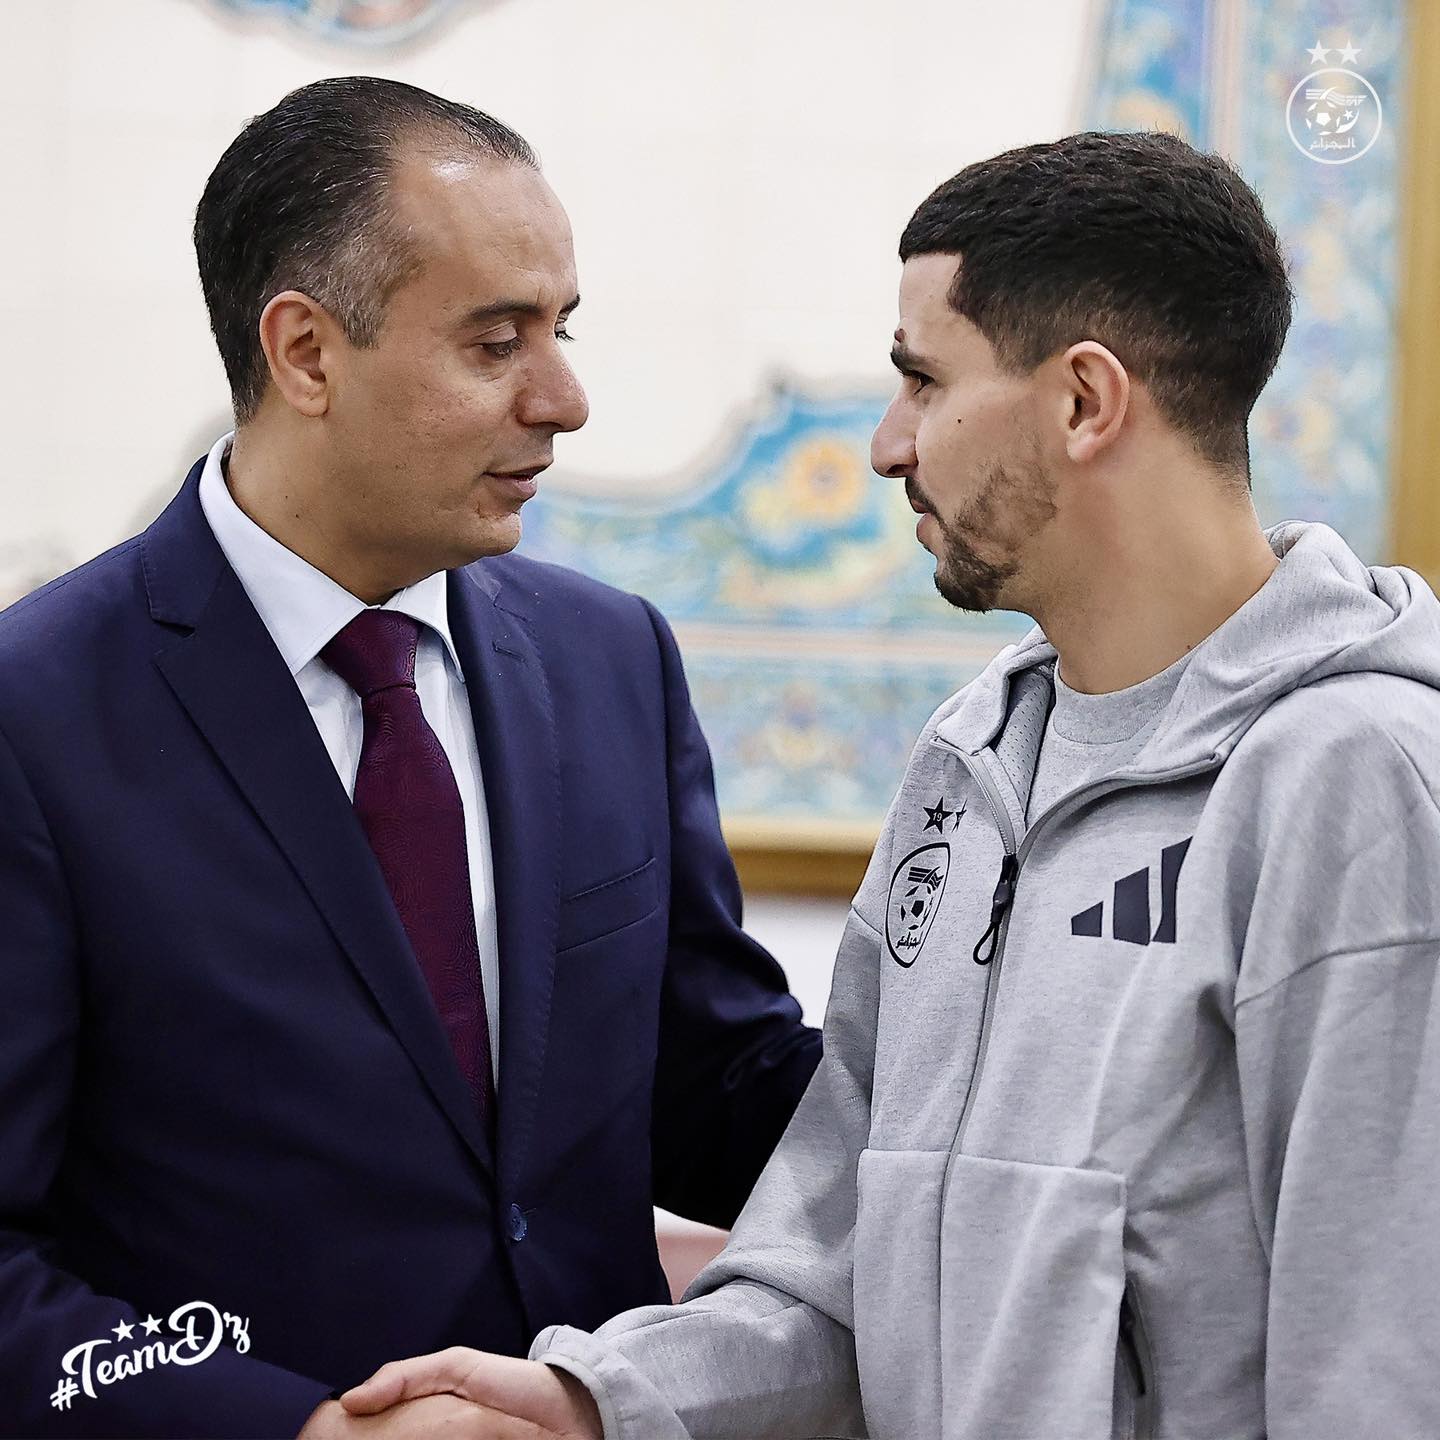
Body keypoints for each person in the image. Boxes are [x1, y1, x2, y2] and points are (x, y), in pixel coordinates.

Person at [338, 130, 1440, 1439]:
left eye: (923, 380)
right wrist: (596, 1401)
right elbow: (840, 1264)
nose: (886, 442)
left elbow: (1381, 1371)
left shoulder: (1356, 778)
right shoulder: (969, 758)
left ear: (1085, 402)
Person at [0, 76, 820, 1439]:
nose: (565, 400)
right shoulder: (33, 716)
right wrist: (302, 1430)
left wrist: (1039, 1100)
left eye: (561, 330)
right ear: (305, 352)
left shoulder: (611, 659)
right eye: (497, 343)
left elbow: (712, 1094)